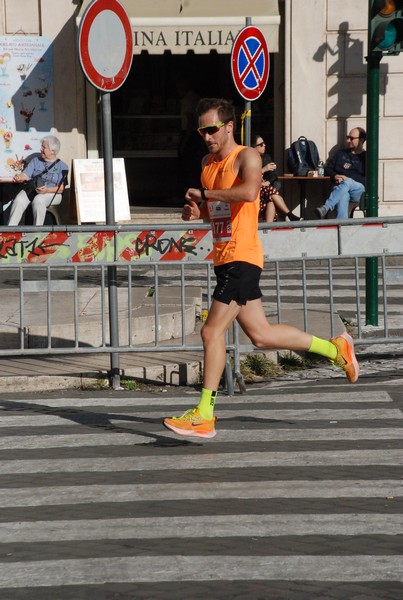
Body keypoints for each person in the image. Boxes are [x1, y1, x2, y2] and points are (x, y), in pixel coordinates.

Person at [163, 98, 359, 439]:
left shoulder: (247, 156)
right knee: (261, 335)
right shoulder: (207, 163)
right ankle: (335, 348)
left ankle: (204, 414)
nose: (206, 136)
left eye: (211, 129)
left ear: (228, 127)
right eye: (201, 131)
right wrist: (199, 214)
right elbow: (221, 210)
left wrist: (207, 195)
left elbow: (250, 191)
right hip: (224, 258)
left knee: (211, 332)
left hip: (243, 257)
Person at [8, 135, 68, 226]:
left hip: (53, 193)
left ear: (53, 151)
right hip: (33, 190)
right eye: (41, 146)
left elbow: (61, 188)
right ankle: (10, 231)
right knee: (19, 200)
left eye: (44, 147)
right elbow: (26, 174)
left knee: (39, 200)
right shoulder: (35, 161)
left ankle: (37, 231)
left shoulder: (62, 166)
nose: (41, 149)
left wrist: (47, 190)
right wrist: (20, 177)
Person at [314, 127, 366, 219]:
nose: (348, 140)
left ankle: (326, 207)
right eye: (347, 137)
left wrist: (347, 179)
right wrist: (336, 176)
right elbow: (327, 169)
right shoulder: (341, 154)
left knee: (348, 181)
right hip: (340, 187)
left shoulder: (366, 156)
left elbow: (367, 179)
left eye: (351, 138)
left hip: (357, 190)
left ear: (361, 140)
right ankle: (342, 227)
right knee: (344, 195)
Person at [252, 133, 300, 222]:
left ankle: (268, 228)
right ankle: (289, 215)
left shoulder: (266, 158)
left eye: (264, 143)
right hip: (253, 193)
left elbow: (273, 176)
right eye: (261, 144)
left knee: (271, 200)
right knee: (270, 190)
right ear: (254, 147)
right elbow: (249, 177)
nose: (264, 146)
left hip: (264, 194)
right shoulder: (249, 159)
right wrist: (263, 170)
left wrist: (268, 182)